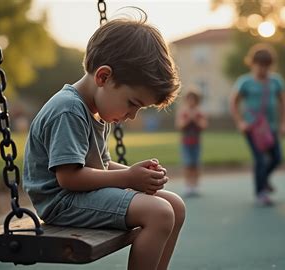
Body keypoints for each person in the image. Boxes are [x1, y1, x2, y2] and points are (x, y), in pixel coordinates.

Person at [23, 16, 184, 270]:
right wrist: (129, 178)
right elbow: (69, 178)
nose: (132, 116)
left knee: (175, 205)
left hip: (80, 195)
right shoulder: (69, 109)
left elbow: (101, 165)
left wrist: (136, 174)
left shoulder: (95, 109)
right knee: (160, 213)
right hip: (62, 202)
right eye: (133, 103)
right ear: (103, 77)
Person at [230, 43, 285, 206]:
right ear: (252, 63)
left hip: (271, 129)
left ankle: (263, 179)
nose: (262, 69)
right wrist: (240, 122)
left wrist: (284, 123)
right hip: (252, 128)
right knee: (260, 160)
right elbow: (234, 103)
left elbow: (284, 102)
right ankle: (261, 192)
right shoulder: (245, 82)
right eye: (259, 65)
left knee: (277, 158)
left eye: (266, 66)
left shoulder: (276, 81)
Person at [175, 87, 208, 198]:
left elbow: (203, 125)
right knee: (188, 164)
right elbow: (180, 125)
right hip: (186, 143)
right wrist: (189, 119)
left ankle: (195, 185)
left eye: (193, 99)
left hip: (196, 143)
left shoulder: (200, 112)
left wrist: (196, 119)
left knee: (195, 164)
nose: (191, 101)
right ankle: (188, 185)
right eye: (189, 99)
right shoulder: (183, 112)